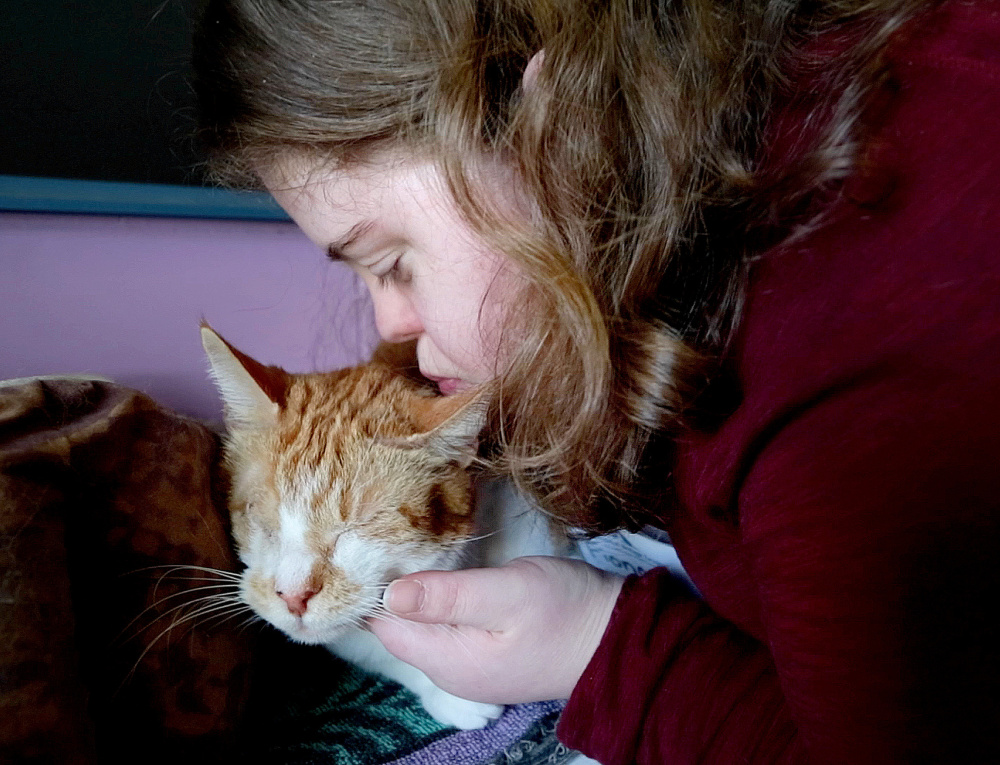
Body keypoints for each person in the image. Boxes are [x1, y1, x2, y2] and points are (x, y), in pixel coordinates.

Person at [192, 0, 1000, 762]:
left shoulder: (839, 355)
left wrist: (594, 647)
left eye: (391, 262)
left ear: (560, 133)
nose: (389, 329)